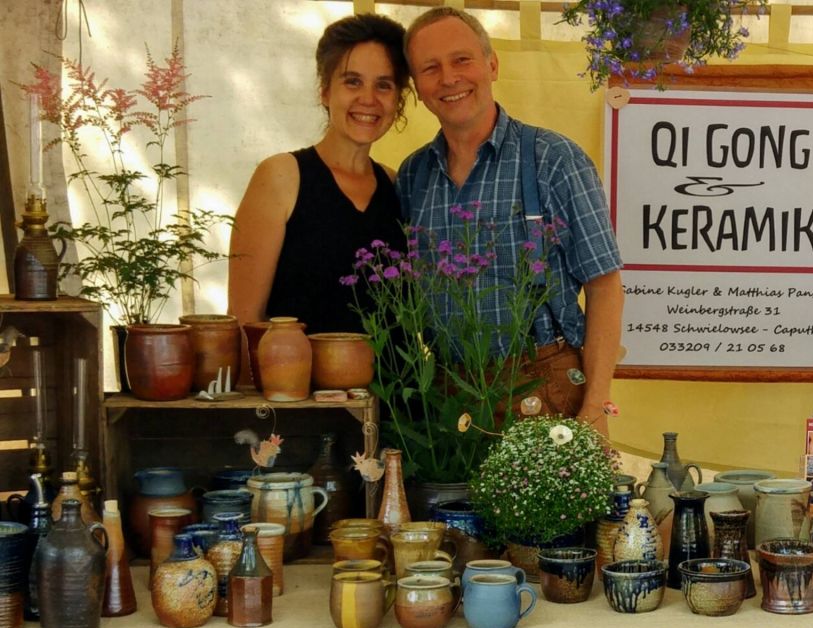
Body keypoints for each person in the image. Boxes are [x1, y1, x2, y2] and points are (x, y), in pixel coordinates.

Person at [397, 7, 624, 435]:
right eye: (430, 68)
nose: (448, 78)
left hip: (547, 391)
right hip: (449, 399)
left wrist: (596, 405)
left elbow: (604, 285)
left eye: (462, 60)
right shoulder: (413, 176)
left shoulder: (552, 159)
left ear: (492, 65)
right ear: (417, 88)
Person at [228, 13, 410, 381]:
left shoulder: (397, 184)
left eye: (384, 85)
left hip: (398, 419)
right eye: (352, 81)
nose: (368, 99)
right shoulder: (281, 176)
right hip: (304, 417)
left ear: (399, 99)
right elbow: (245, 326)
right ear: (325, 90)